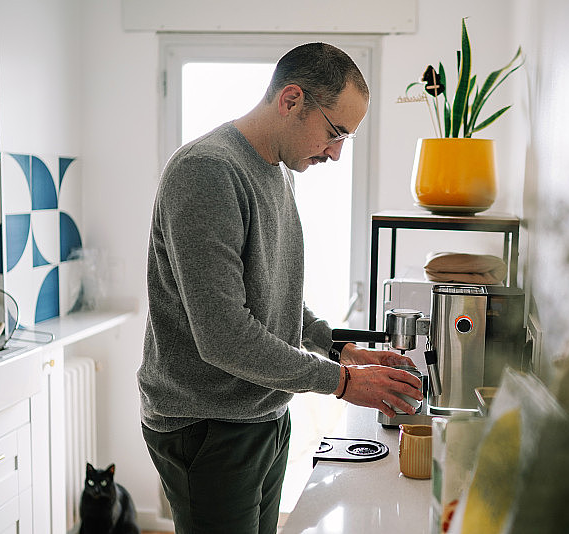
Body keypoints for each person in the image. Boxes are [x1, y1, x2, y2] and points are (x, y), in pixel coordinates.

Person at [137, 42, 423, 534]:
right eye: (335, 132)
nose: (335, 152)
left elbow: (273, 295)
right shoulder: (207, 171)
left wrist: (340, 348)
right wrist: (342, 383)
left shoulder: (275, 171)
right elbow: (225, 335)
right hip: (208, 426)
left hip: (262, 412)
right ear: (291, 100)